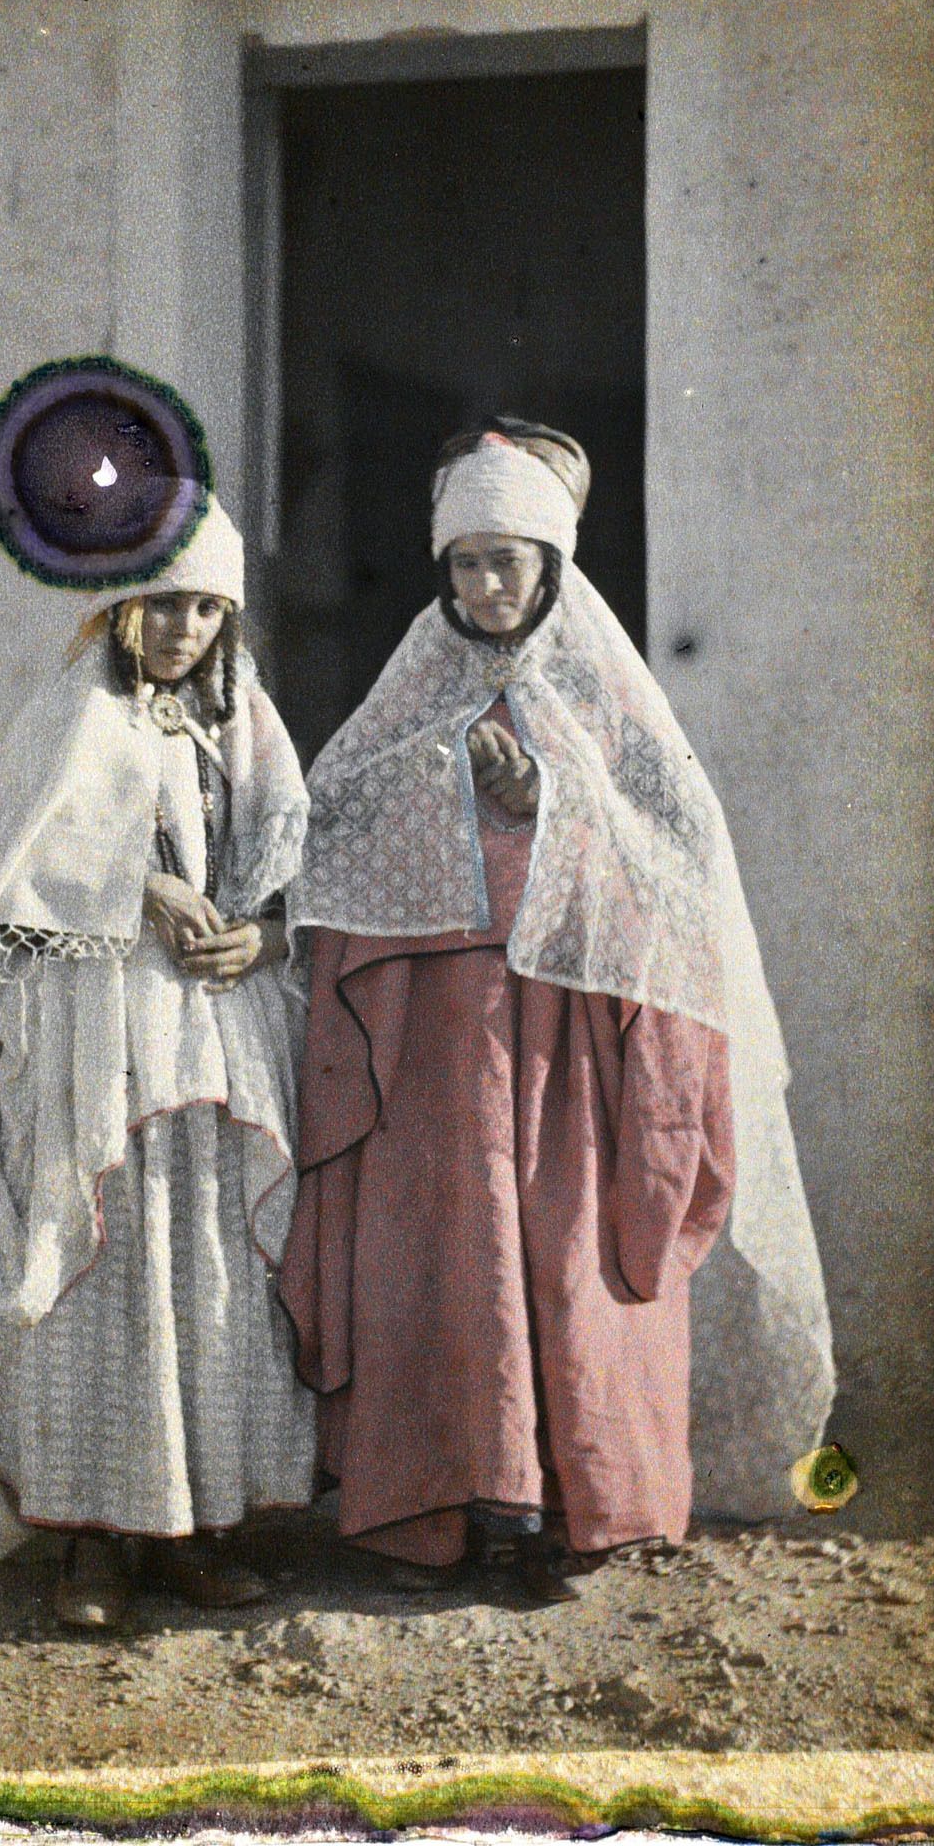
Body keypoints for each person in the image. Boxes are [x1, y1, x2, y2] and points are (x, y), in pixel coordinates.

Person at [281, 421, 834, 1602]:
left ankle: (568, 1506)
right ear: (443, 570)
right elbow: (329, 817)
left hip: (572, 1033)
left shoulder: (604, 688)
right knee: (451, 1257)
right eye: (467, 562)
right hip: (437, 1036)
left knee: (561, 1248)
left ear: (550, 569)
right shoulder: (413, 684)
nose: (486, 586)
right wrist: (445, 778)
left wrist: (560, 796)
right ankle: (457, 1505)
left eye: (509, 562)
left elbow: (679, 850)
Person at [0, 498, 316, 1630]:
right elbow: (4, 893)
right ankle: (93, 1545)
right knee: (102, 1282)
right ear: (119, 606)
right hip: (94, 1042)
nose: (184, 627)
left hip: (213, 1039)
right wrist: (133, 886)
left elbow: (297, 871)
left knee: (207, 1281)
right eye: (165, 602)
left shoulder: (242, 726)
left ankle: (196, 1529)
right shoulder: (69, 716)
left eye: (207, 607)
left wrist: (262, 934)